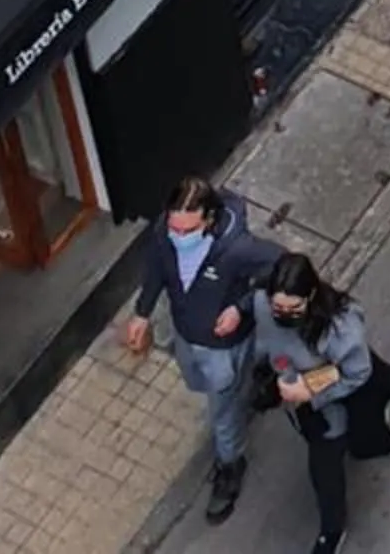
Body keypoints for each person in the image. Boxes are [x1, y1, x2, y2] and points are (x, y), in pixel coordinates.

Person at [121, 174, 280, 526]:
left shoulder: (240, 250)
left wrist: (240, 307)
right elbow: (156, 269)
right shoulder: (166, 232)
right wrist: (142, 313)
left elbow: (283, 269)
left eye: (186, 231)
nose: (178, 237)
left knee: (222, 412)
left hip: (223, 346)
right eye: (174, 228)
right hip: (187, 336)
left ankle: (230, 465)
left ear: (208, 219)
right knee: (201, 382)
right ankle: (265, 366)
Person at [252, 250, 390, 554]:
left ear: (310, 296)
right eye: (278, 307)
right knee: (387, 383)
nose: (283, 314)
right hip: (291, 393)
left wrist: (311, 391)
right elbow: (266, 337)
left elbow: (357, 372)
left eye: (293, 308)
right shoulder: (262, 304)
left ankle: (332, 531)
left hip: (328, 409)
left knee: (325, 472)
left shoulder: (340, 329)